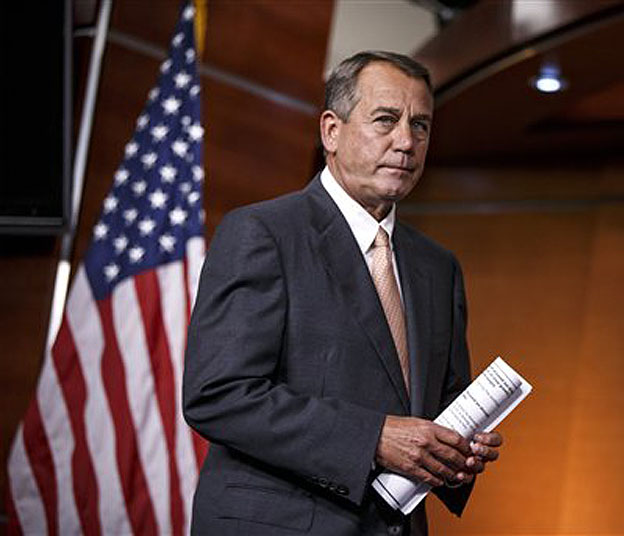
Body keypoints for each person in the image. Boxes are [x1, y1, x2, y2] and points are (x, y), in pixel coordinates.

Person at [183, 50, 503, 535]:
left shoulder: (439, 267)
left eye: (420, 126)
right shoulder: (263, 232)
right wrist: (373, 438)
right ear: (331, 130)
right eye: (385, 120)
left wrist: (458, 448)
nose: (405, 142)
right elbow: (219, 395)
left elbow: (438, 402)